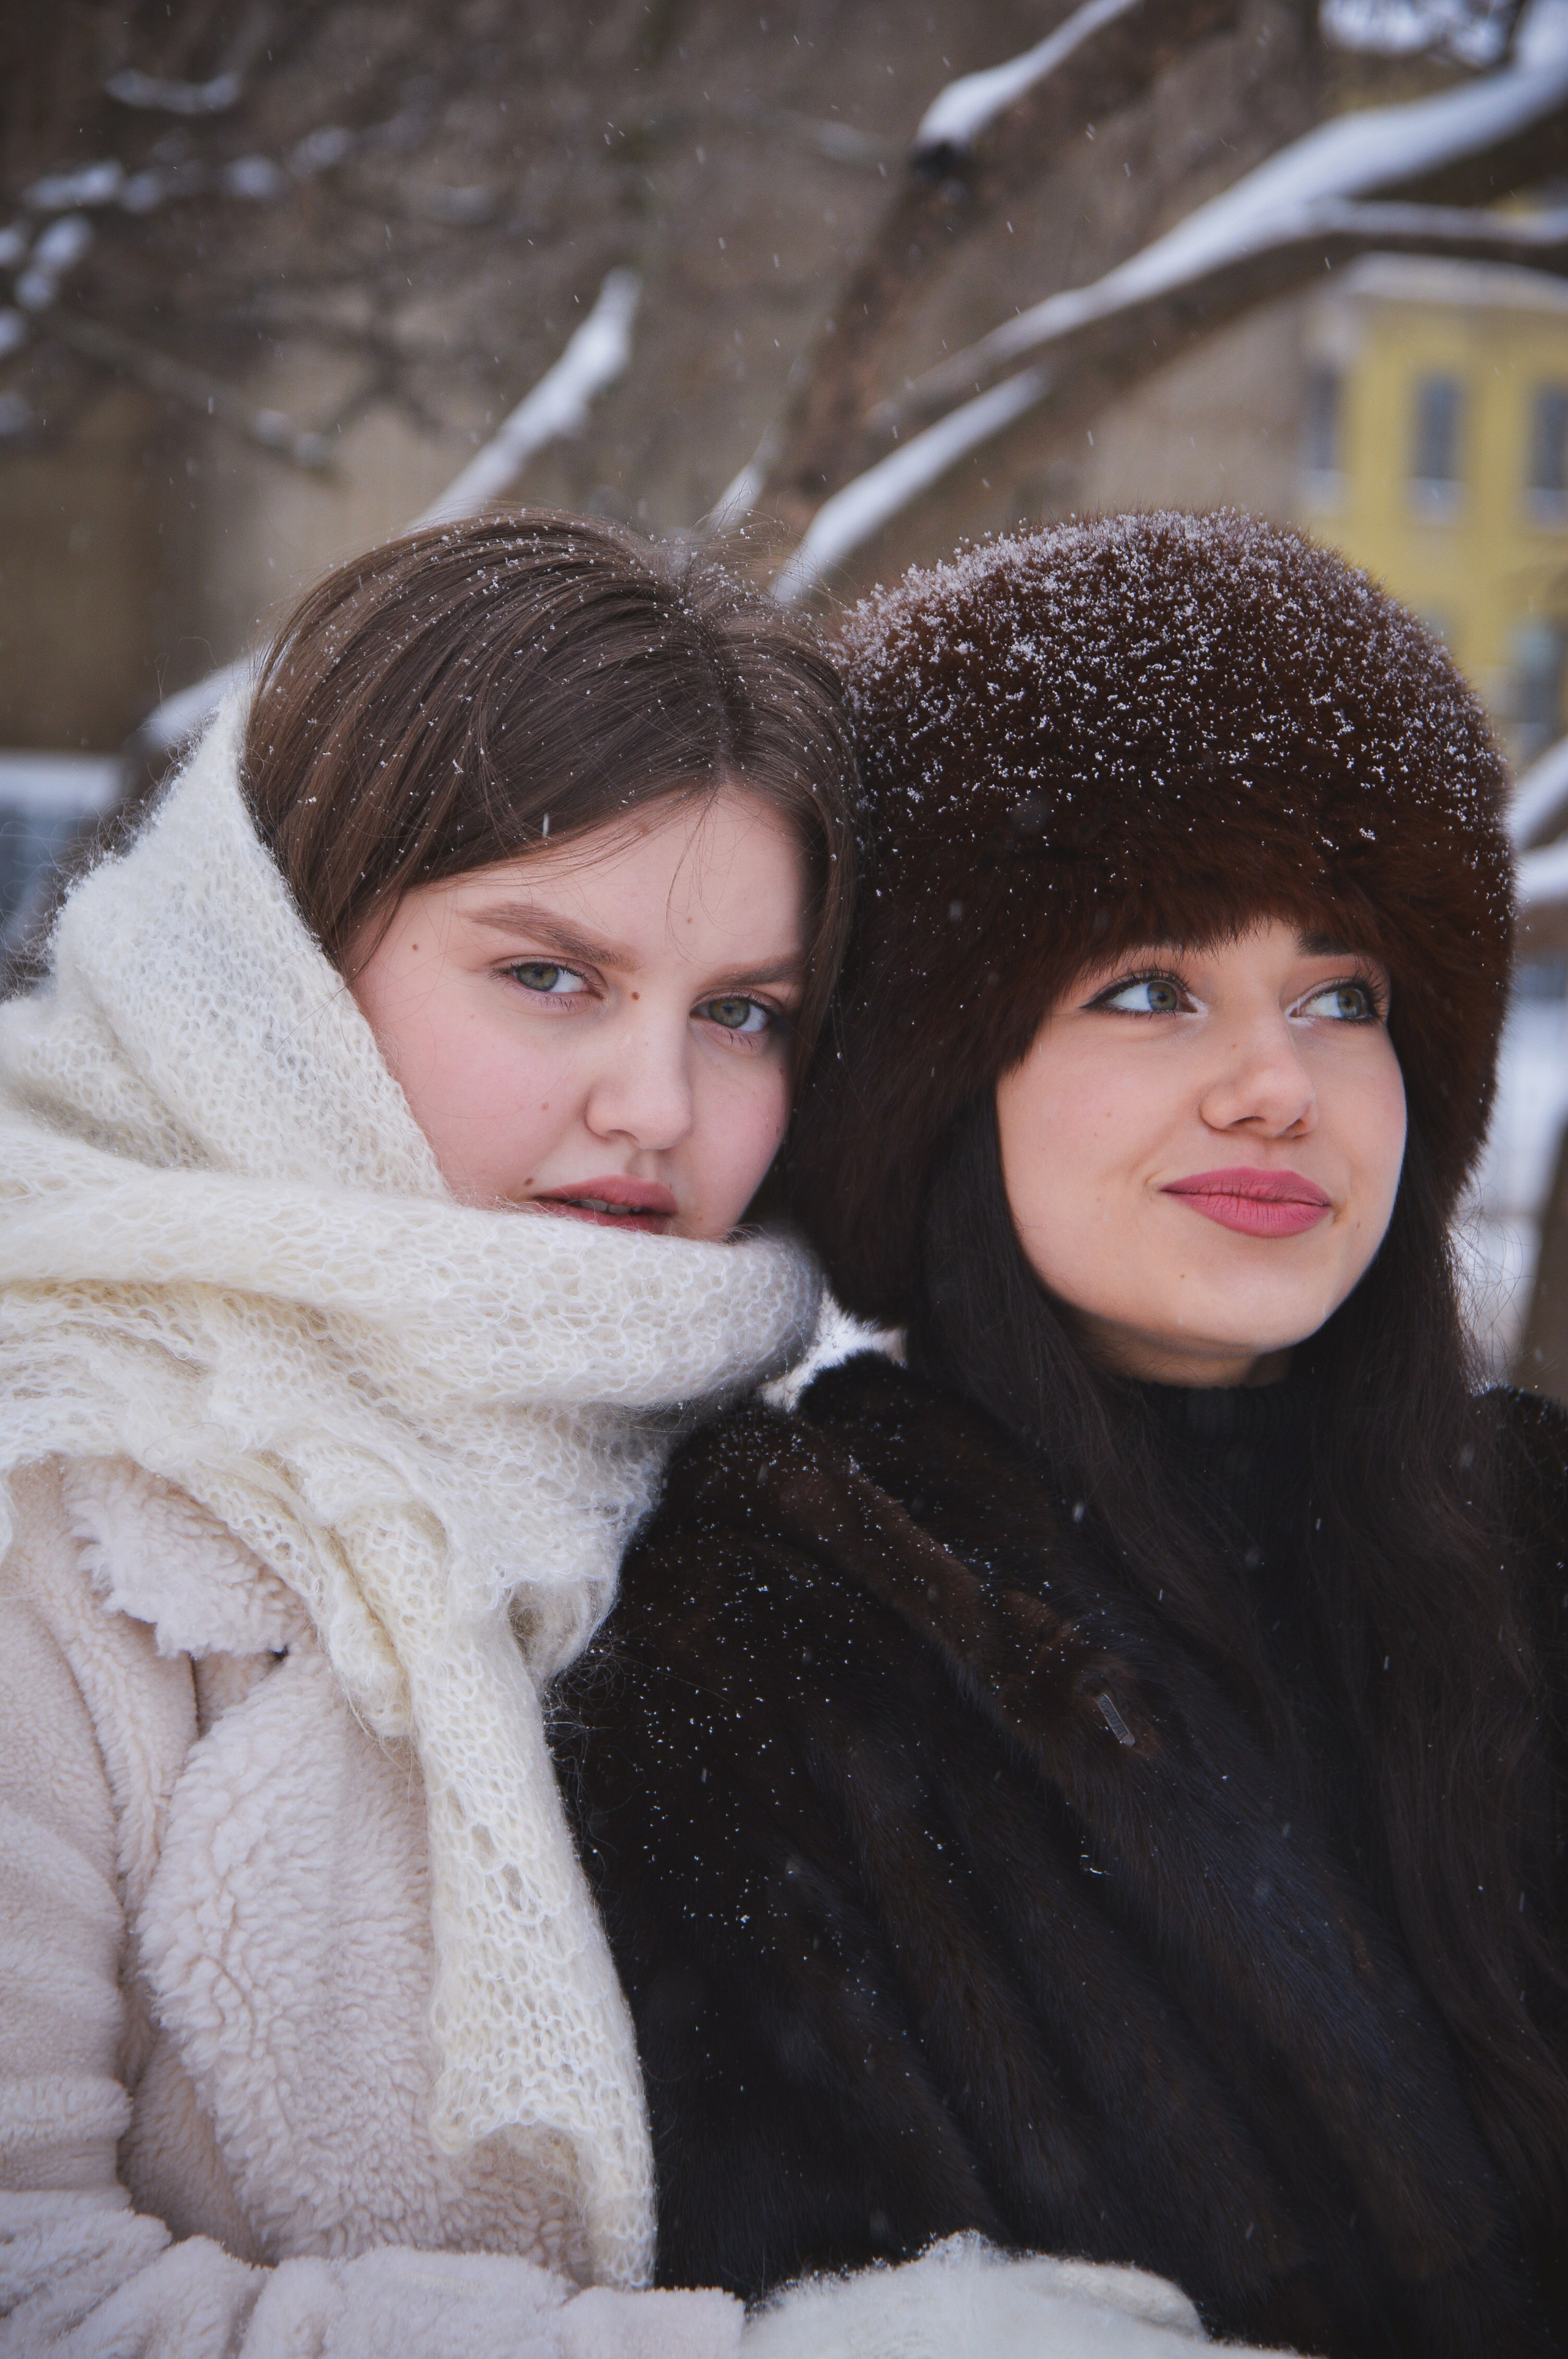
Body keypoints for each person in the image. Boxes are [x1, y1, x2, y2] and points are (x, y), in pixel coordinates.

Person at [557, 511, 1568, 2358]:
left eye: (1342, 994)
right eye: (1149, 987)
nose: (1277, 1080)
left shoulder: (1541, 1545)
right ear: (948, 1075)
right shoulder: (747, 1660)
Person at [0, 511, 859, 2358]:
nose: (653, 1101)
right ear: (286, 963)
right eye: (550, 972)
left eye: (742, 1013)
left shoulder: (759, 1479)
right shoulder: (50, 1483)